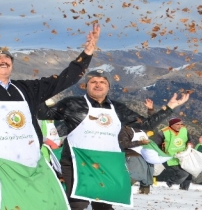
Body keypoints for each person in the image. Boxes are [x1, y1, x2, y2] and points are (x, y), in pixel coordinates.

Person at [0, 9, 100, 210]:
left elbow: (65, 79)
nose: (4, 59)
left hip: (22, 164)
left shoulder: (26, 89)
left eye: (7, 57)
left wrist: (87, 53)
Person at [38, 70, 190, 210]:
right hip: (77, 160)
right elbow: (44, 114)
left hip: (107, 162)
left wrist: (169, 107)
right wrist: (40, 93)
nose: (98, 85)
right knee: (78, 202)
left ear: (108, 86)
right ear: (86, 85)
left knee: (104, 204)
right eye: (93, 81)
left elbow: (146, 124)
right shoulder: (72, 103)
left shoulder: (117, 108)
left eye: (103, 82)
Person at [154, 117, 194, 191]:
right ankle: (170, 183)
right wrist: (160, 154)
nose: (180, 126)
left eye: (181, 124)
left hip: (184, 156)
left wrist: (190, 143)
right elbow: (156, 145)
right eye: (177, 124)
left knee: (189, 172)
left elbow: (190, 139)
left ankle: (184, 190)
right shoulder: (163, 132)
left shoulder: (184, 130)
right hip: (170, 157)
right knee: (183, 174)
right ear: (171, 125)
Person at [119, 125, 154, 194]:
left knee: (147, 176)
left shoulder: (143, 131)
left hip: (145, 155)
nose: (141, 122)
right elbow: (124, 144)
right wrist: (139, 142)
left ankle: (144, 192)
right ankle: (120, 189)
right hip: (133, 154)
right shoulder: (125, 130)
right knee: (136, 174)